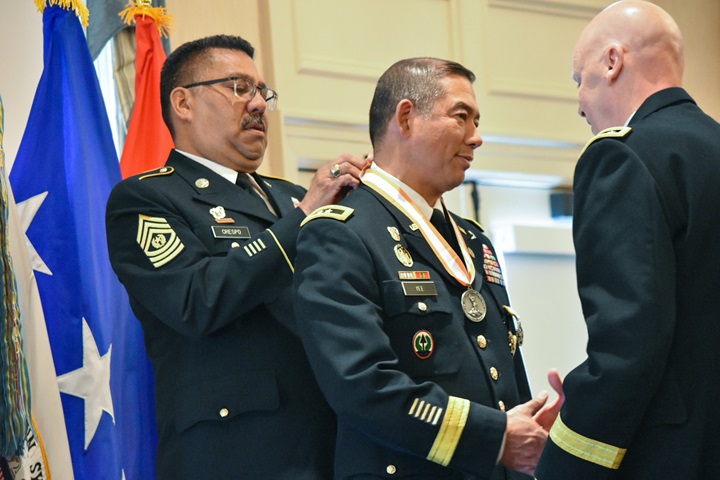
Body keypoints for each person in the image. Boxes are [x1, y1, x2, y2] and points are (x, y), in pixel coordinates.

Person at [105, 34, 368, 479]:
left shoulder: (288, 197)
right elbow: (196, 300)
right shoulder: (147, 199)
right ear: (183, 103)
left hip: (331, 448)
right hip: (235, 457)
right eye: (239, 87)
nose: (260, 104)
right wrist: (305, 216)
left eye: (263, 91)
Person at [293, 57, 563, 480]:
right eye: (462, 117)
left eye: (477, 121)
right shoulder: (340, 233)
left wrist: (525, 431)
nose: (477, 138)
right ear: (406, 117)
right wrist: (493, 437)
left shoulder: (473, 239)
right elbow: (363, 386)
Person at [535, 2, 720, 479]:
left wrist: (566, 453)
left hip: (671, 455)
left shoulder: (623, 157)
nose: (579, 104)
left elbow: (629, 346)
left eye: (580, 80)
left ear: (612, 62)